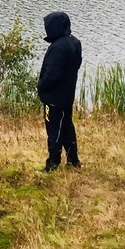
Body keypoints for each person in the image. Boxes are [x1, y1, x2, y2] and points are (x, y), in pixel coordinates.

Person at [37, 10, 82, 172]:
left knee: (54, 130)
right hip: (67, 95)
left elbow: (52, 75)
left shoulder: (57, 48)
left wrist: (40, 85)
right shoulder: (75, 43)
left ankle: (52, 163)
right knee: (67, 127)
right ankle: (73, 160)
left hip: (54, 98)